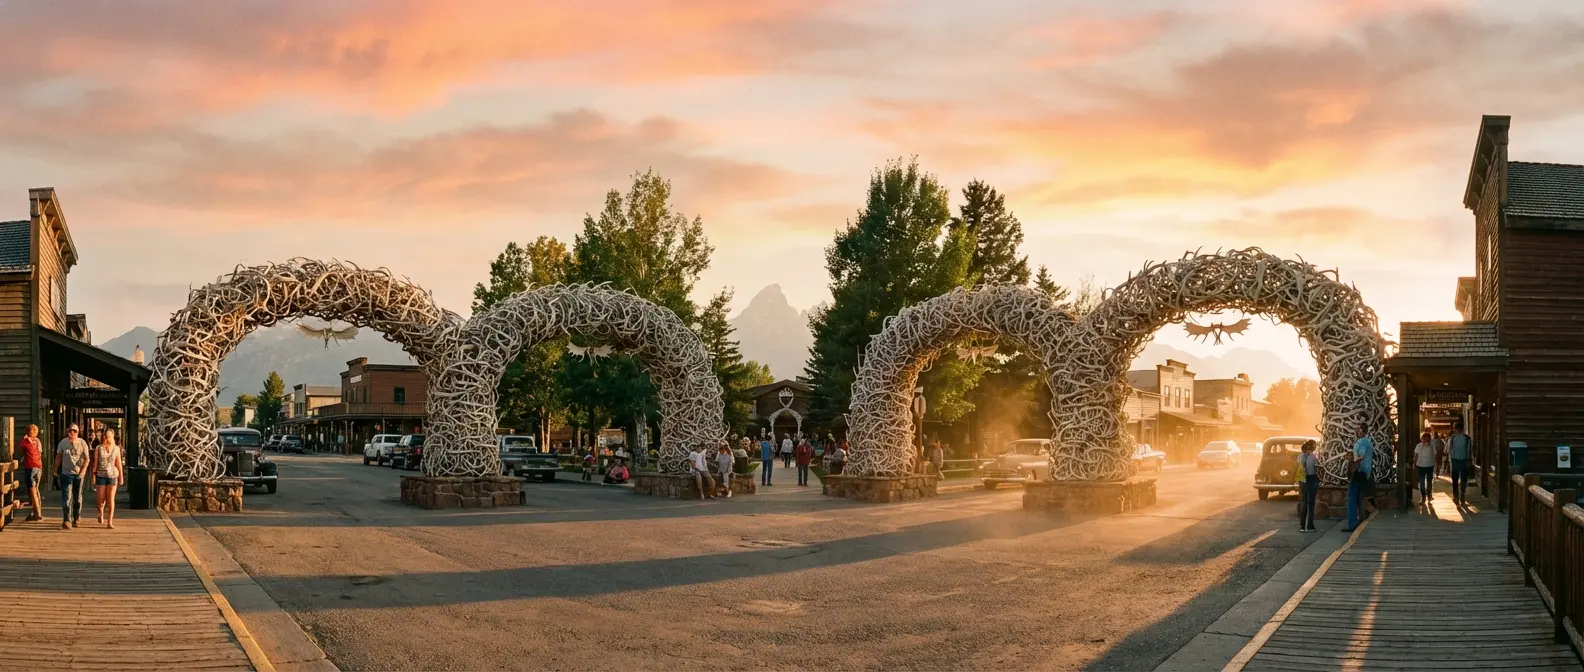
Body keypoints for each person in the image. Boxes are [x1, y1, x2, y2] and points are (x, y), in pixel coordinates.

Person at [55, 424, 91, 530]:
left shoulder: (82, 443)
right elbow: (58, 457)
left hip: (78, 474)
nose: (72, 433)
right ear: (67, 431)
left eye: (75, 431)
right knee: (67, 498)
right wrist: (55, 470)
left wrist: (83, 472)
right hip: (66, 474)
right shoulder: (63, 443)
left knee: (78, 498)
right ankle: (67, 519)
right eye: (70, 431)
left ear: (78, 432)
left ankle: (77, 517)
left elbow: (87, 459)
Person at [92, 428, 125, 528]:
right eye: (105, 437)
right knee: (100, 500)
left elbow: (118, 463)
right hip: (101, 475)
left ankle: (110, 521)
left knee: (111, 500)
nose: (107, 439)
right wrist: (93, 476)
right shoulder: (99, 448)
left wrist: (121, 477)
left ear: (112, 437)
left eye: (109, 437)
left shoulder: (116, 448)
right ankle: (101, 513)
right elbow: (95, 463)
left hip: (112, 475)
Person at [1345, 423, 1374, 533]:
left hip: (1358, 472)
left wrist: (1352, 462)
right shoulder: (1368, 442)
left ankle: (1352, 524)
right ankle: (1361, 521)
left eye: (1357, 429)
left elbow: (1360, 456)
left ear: (1362, 431)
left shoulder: (1361, 442)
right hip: (1365, 472)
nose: (1356, 431)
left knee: (1351, 498)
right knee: (1360, 498)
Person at [17, 424, 43, 522]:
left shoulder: (26, 441)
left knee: (32, 492)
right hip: (38, 467)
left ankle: (38, 514)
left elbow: (20, 446)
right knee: (36, 490)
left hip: (30, 467)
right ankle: (35, 512)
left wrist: (26, 439)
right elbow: (38, 452)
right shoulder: (38, 441)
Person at [1448, 422, 1473, 504]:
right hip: (1464, 460)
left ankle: (1456, 497)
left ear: (1455, 429)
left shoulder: (1452, 438)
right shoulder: (1468, 438)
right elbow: (1470, 450)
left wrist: (1450, 462)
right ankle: (1462, 494)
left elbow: (1449, 450)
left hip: (1455, 460)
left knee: (1455, 480)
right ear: (1463, 429)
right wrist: (1470, 461)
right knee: (1464, 479)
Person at [1298, 439, 1319, 532]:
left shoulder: (1299, 457)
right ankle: (1310, 525)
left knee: (1304, 502)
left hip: (1302, 480)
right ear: (1312, 447)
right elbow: (1316, 469)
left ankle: (1302, 526)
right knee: (1311, 503)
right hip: (1312, 479)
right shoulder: (1313, 457)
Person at [1413, 431, 1436, 505]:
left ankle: (1429, 495)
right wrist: (1415, 464)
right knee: (1422, 483)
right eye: (1424, 438)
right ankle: (1423, 497)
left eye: (1427, 439)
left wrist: (1434, 463)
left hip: (1430, 465)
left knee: (1429, 482)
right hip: (1421, 466)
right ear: (1422, 438)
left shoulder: (1432, 446)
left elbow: (1434, 454)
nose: (1426, 440)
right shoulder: (1418, 446)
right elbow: (1416, 455)